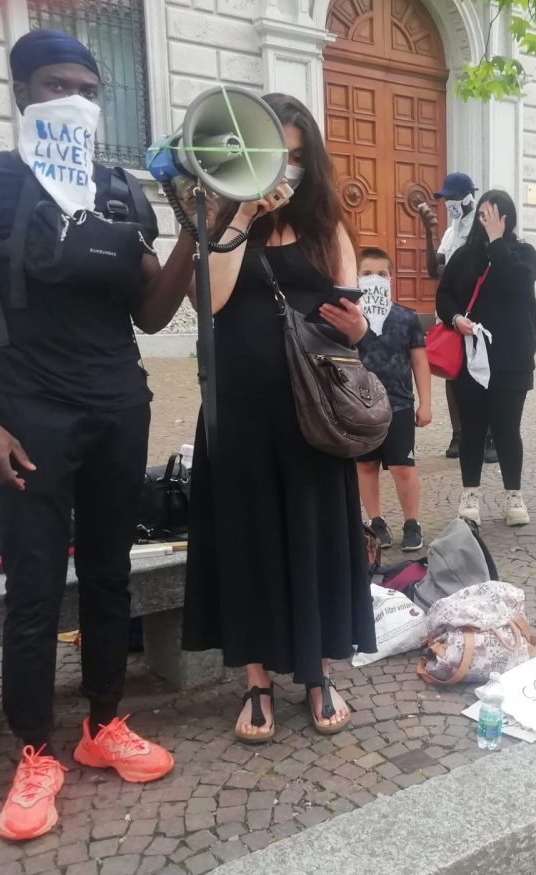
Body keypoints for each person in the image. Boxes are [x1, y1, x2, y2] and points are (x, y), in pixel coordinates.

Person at [0, 30, 192, 841]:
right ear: (21, 92)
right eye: (55, 84)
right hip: (30, 414)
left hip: (119, 408)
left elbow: (152, 312)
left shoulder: (118, 190)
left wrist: (194, 232)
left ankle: (103, 723)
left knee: (110, 573)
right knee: (37, 585)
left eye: (87, 88)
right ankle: (36, 751)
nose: (73, 99)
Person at [182, 93, 376, 744]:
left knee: (316, 539)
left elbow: (351, 325)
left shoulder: (328, 229)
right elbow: (211, 302)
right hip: (239, 411)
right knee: (249, 540)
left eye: (295, 157)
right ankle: (257, 680)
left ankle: (318, 672)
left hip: (311, 414)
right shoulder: (223, 222)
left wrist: (361, 330)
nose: (284, 170)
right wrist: (241, 212)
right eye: (274, 157)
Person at [435, 190, 536, 526]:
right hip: (470, 358)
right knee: (473, 429)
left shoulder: (523, 254)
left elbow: (515, 285)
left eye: (494, 216)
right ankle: (470, 494)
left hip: (511, 359)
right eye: (483, 216)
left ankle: (513, 495)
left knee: (508, 429)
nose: (487, 222)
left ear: (508, 218)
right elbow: (444, 296)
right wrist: (455, 318)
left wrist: (497, 242)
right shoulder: (464, 256)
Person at [353, 246, 431, 553]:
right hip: (360, 407)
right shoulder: (349, 319)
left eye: (381, 274)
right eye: (367, 273)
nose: (374, 278)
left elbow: (420, 361)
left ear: (391, 279)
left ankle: (412, 522)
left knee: (403, 467)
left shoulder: (406, 318)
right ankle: (376, 521)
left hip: (399, 404)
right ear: (356, 278)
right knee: (366, 466)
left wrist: (426, 402)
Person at [417, 172, 494, 463]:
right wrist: (428, 233)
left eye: (451, 197)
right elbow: (433, 270)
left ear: (468, 197)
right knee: (453, 372)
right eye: (444, 198)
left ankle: (488, 434)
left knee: (482, 372)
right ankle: (458, 434)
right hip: (451, 313)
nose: (447, 203)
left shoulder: (481, 227)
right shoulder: (450, 232)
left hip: (476, 314)